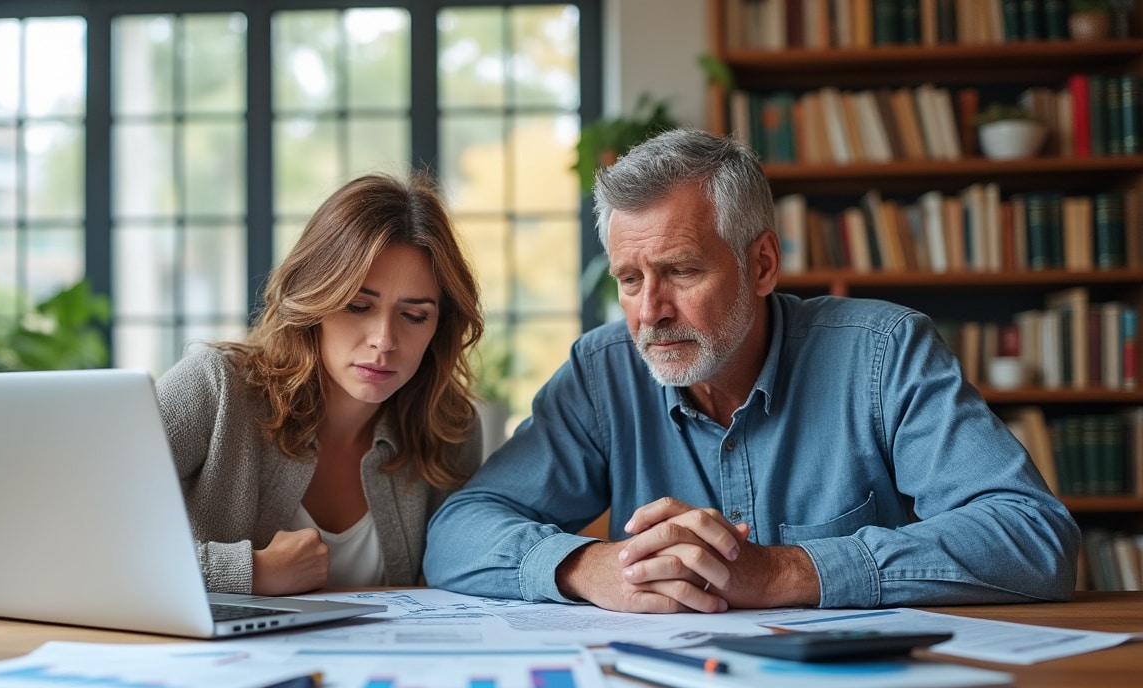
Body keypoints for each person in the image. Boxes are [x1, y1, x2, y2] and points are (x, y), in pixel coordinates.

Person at [424, 128, 1080, 613]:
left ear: (762, 264)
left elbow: (1033, 537)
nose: (650, 312)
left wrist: (783, 573)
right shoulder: (603, 373)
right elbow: (457, 532)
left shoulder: (884, 352)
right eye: (630, 279)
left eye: (682, 271)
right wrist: (590, 567)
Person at [157, 172, 484, 595]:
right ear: (314, 298)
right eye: (357, 306)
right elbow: (86, 536)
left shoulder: (449, 429)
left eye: (414, 315)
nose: (384, 340)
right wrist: (251, 572)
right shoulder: (213, 388)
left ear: (439, 325)